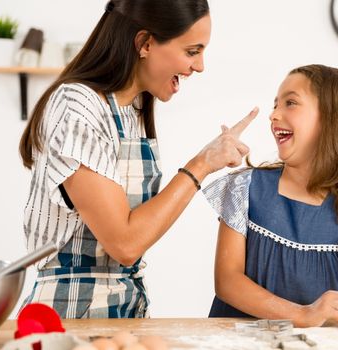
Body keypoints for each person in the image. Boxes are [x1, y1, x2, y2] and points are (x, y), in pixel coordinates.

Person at [18, 0, 258, 318]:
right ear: (145, 44)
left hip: (123, 308)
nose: (200, 66)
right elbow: (125, 243)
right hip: (70, 314)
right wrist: (202, 163)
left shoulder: (132, 110)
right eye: (192, 51)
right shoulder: (78, 105)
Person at [203, 64, 338, 342]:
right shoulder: (246, 187)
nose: (274, 114)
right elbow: (228, 282)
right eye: (275, 104)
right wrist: (302, 313)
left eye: (290, 103)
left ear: (332, 120)